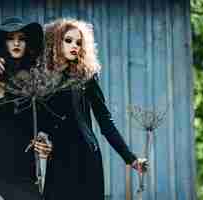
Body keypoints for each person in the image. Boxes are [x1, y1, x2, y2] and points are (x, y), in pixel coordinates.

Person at [40, 18, 148, 200]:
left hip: (86, 157)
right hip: (57, 159)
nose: (74, 45)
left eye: (78, 42)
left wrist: (130, 158)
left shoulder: (86, 78)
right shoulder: (41, 80)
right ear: (55, 42)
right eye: (68, 40)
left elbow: (105, 121)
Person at [0, 17, 52, 200]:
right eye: (10, 38)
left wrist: (44, 138)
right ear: (2, 43)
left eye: (21, 38)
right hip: (5, 169)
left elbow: (39, 120)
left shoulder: (30, 78)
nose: (16, 43)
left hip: (29, 167)